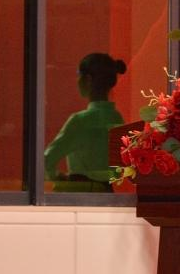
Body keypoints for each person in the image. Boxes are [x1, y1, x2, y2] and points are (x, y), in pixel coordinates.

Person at [44, 53, 127, 188]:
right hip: (109, 193)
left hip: (81, 194)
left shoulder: (79, 121)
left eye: (78, 75)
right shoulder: (117, 118)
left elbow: (47, 160)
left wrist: (56, 176)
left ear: (88, 80)